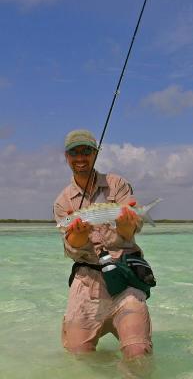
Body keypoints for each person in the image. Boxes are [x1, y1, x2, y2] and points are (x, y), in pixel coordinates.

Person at [53, 129, 153, 360]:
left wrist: (127, 222)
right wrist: (78, 233)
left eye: (86, 151)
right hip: (86, 281)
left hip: (124, 275)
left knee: (138, 354)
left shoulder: (116, 184)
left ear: (95, 153)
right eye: (74, 152)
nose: (80, 157)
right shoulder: (62, 201)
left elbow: (127, 234)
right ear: (66, 156)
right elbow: (72, 248)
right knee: (79, 357)